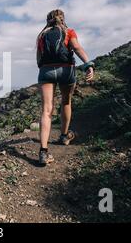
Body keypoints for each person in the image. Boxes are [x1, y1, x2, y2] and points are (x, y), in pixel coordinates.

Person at [36, 9, 94, 165]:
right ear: (62, 19)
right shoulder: (69, 31)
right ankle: (64, 136)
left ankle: (43, 151)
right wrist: (88, 64)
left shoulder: (41, 35)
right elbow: (77, 48)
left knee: (46, 110)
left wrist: (46, 70)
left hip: (46, 71)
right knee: (66, 102)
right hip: (66, 70)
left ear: (48, 20)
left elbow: (39, 58)